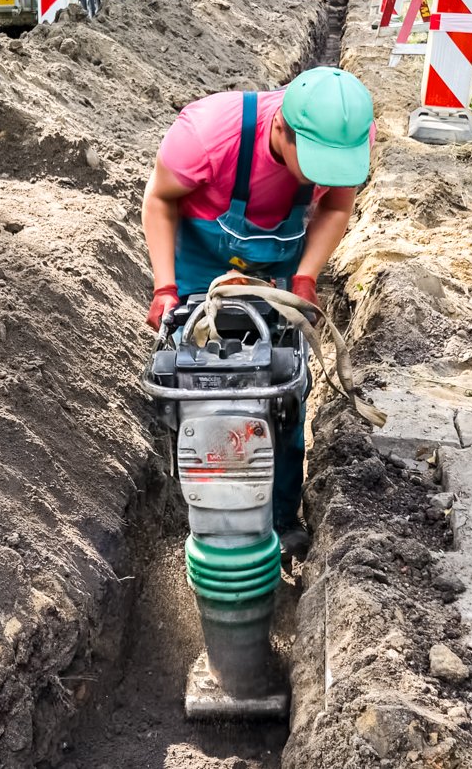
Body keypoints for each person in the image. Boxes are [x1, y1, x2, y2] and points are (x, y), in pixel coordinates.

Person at [140, 66, 375, 552]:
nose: (321, 177)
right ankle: (201, 510)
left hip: (280, 270)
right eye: (312, 164)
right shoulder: (208, 134)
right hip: (201, 266)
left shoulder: (349, 136)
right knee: (198, 388)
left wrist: (307, 276)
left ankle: (283, 517)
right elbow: (160, 200)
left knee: (282, 385)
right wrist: (165, 287)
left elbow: (335, 207)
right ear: (282, 130)